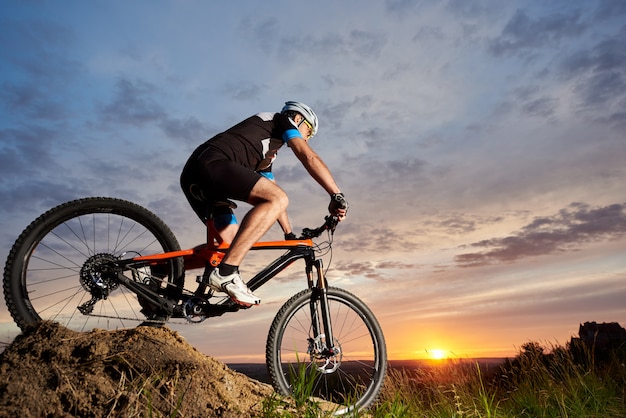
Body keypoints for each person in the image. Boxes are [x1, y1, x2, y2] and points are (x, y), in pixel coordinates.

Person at [180, 101, 348, 306]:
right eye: (309, 131)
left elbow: (270, 188)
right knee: (278, 198)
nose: (307, 137)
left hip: (196, 173)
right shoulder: (282, 120)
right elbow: (307, 156)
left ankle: (159, 270)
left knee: (228, 244)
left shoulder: (267, 151)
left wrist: (288, 233)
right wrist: (336, 194)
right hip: (211, 164)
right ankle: (227, 273)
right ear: (298, 119)